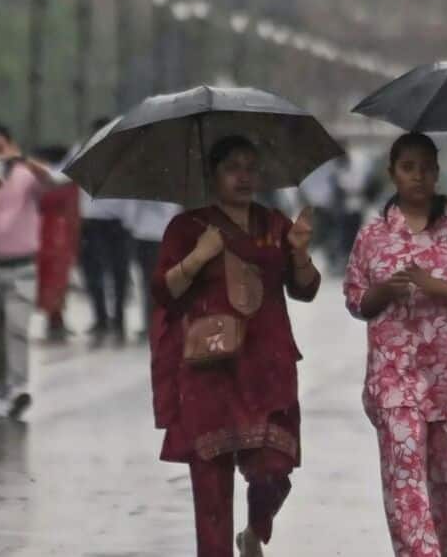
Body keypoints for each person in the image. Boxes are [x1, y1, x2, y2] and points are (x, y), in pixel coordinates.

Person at [150, 135, 319, 557]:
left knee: (274, 468)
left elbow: (306, 289)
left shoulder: (274, 224)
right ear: (212, 175)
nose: (243, 177)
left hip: (269, 366)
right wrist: (197, 256)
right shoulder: (187, 228)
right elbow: (164, 291)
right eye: (232, 168)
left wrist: (299, 252)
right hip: (211, 370)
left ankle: (255, 531)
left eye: (250, 167)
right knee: (211, 487)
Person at [344, 133, 447, 556]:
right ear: (392, 172)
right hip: (394, 380)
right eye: (408, 167)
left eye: (427, 167)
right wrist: (384, 291)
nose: (418, 176)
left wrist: (437, 287)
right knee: (405, 482)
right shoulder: (373, 235)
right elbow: (356, 299)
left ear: (437, 172)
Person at [0, 125, 59, 421]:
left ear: (11, 145)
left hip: (22, 267)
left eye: (1, 148)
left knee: (17, 327)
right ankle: (2, 392)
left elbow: (55, 182)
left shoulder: (27, 176)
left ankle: (19, 388)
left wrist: (25, 161)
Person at [79, 118, 134, 342]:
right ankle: (101, 319)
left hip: (117, 223)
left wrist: (130, 223)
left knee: (119, 274)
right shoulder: (81, 152)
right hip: (91, 223)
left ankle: (118, 321)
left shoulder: (125, 156)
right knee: (93, 274)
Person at [35, 146, 79, 343]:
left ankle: (54, 319)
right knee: (56, 279)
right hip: (59, 234)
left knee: (50, 278)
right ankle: (55, 319)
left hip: (46, 233)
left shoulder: (42, 181)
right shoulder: (68, 184)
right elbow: (74, 213)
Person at [123, 198, 180, 343]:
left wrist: (130, 224)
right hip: (162, 234)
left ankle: (153, 323)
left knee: (149, 283)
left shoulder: (142, 189)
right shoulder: (174, 189)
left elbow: (132, 211)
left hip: (145, 235)